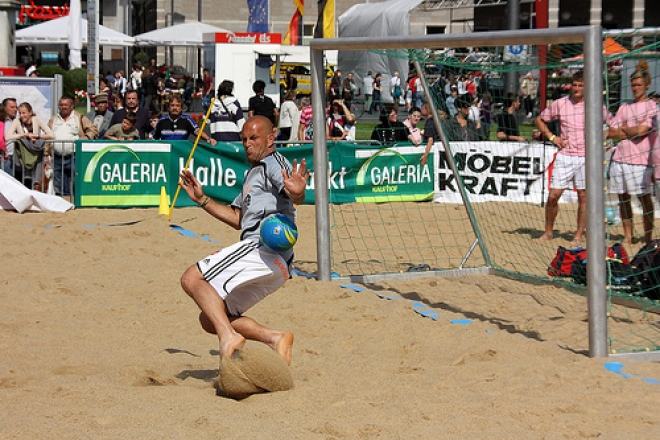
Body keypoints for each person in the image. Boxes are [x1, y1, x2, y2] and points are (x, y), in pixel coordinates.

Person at [178, 115, 309, 366]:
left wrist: (298, 192)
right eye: (244, 139)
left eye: (254, 138)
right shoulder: (253, 173)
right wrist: (202, 200)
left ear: (271, 139)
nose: (247, 144)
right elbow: (239, 217)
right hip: (277, 266)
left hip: (264, 248)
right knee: (210, 318)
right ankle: (274, 338)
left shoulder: (273, 161)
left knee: (191, 278)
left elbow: (292, 193)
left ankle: (228, 338)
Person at [535, 70, 611, 245]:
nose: (576, 88)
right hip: (566, 155)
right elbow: (540, 120)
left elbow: (612, 123)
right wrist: (553, 138)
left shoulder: (596, 105)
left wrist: (604, 137)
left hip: (586, 157)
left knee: (584, 197)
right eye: (574, 85)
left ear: (587, 87)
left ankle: (578, 234)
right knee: (553, 195)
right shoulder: (561, 103)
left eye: (580, 85)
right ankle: (548, 231)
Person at [608, 61, 658, 245]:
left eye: (638, 85)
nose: (635, 88)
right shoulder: (624, 107)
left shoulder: (651, 106)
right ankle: (628, 235)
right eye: (633, 85)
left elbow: (643, 130)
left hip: (640, 160)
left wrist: (625, 131)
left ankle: (647, 236)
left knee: (644, 199)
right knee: (623, 198)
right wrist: (630, 131)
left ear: (647, 85)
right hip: (620, 158)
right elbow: (611, 132)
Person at [48, 96, 98, 196]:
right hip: (57, 158)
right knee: (59, 186)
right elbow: (47, 137)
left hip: (74, 157)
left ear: (72, 106)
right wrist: (46, 155)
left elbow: (94, 130)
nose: (63, 107)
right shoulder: (53, 119)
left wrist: (85, 138)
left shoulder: (79, 118)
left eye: (66, 105)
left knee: (76, 184)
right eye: (61, 105)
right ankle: (63, 206)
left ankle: (76, 207)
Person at [6, 102, 54, 190]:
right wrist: (23, 135)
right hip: (22, 158)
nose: (21, 115)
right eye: (19, 113)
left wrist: (37, 136)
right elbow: (8, 136)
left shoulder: (37, 120)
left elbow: (51, 134)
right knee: (20, 183)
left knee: (34, 183)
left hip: (36, 157)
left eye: (24, 113)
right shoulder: (17, 121)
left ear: (30, 112)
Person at [420, 101, 441, 166]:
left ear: (427, 110)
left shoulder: (429, 122)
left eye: (422, 108)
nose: (421, 109)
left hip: (436, 150)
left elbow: (430, 140)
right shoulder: (437, 120)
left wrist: (425, 156)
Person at [3, 97, 18, 175]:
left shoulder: (18, 121)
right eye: (12, 107)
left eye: (16, 107)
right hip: (5, 157)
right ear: (5, 108)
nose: (15, 110)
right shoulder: (2, 122)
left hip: (17, 158)